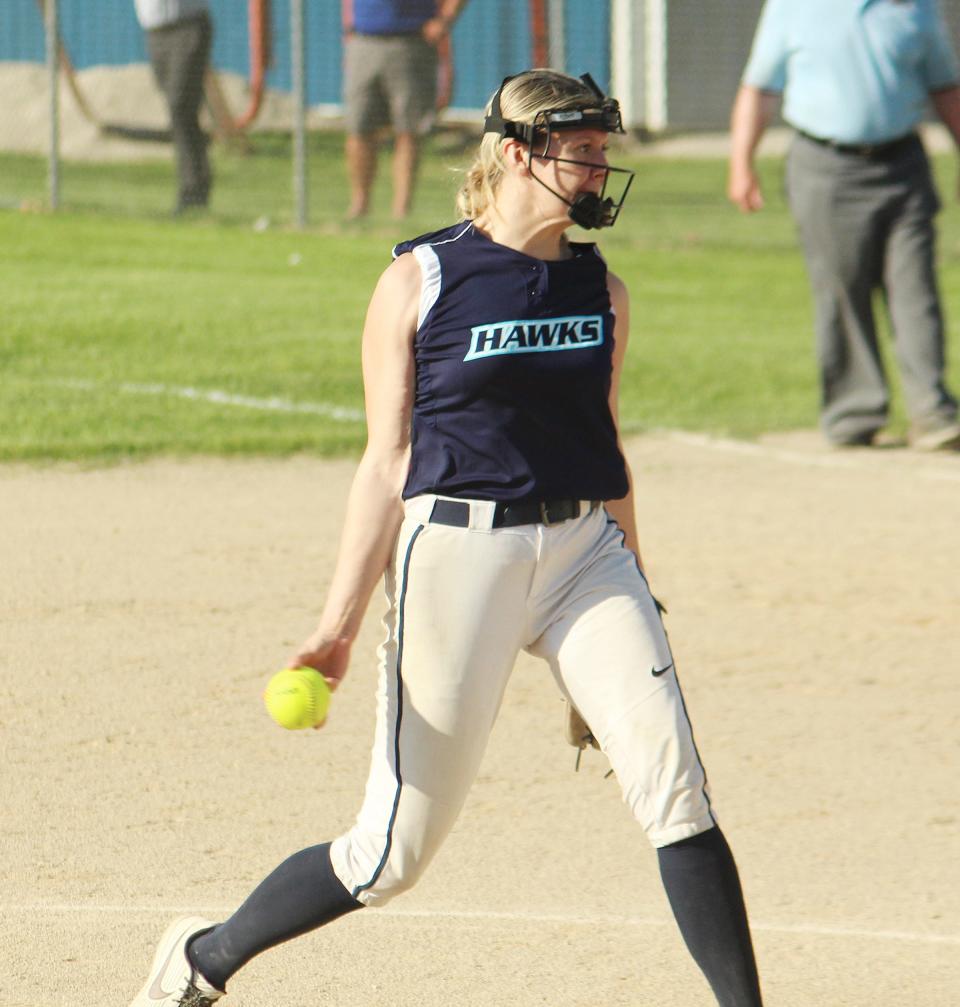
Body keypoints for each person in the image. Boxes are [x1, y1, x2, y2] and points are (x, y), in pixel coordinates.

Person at [129, 69, 764, 1007]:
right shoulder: (421, 281)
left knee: (678, 794)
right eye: (581, 154)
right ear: (517, 154)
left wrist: (641, 594)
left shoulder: (604, 291)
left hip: (587, 557)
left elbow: (608, 449)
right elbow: (387, 462)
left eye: (602, 155)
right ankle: (203, 957)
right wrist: (336, 626)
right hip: (459, 557)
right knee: (388, 856)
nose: (599, 174)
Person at [728, 0, 960, 451]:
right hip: (825, 166)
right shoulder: (792, 7)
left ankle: (932, 411)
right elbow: (759, 89)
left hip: (903, 165)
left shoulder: (915, 7)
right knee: (841, 288)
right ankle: (855, 412)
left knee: (916, 291)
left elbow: (946, 88)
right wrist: (742, 165)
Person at [342, 0, 467, 220]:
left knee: (408, 130)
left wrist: (444, 20)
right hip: (364, 39)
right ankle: (359, 205)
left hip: (412, 42)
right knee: (359, 128)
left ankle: (401, 210)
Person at [134, 0, 213, 214]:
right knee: (179, 112)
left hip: (187, 25)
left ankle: (194, 189)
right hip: (155, 30)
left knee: (180, 104)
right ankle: (194, 187)